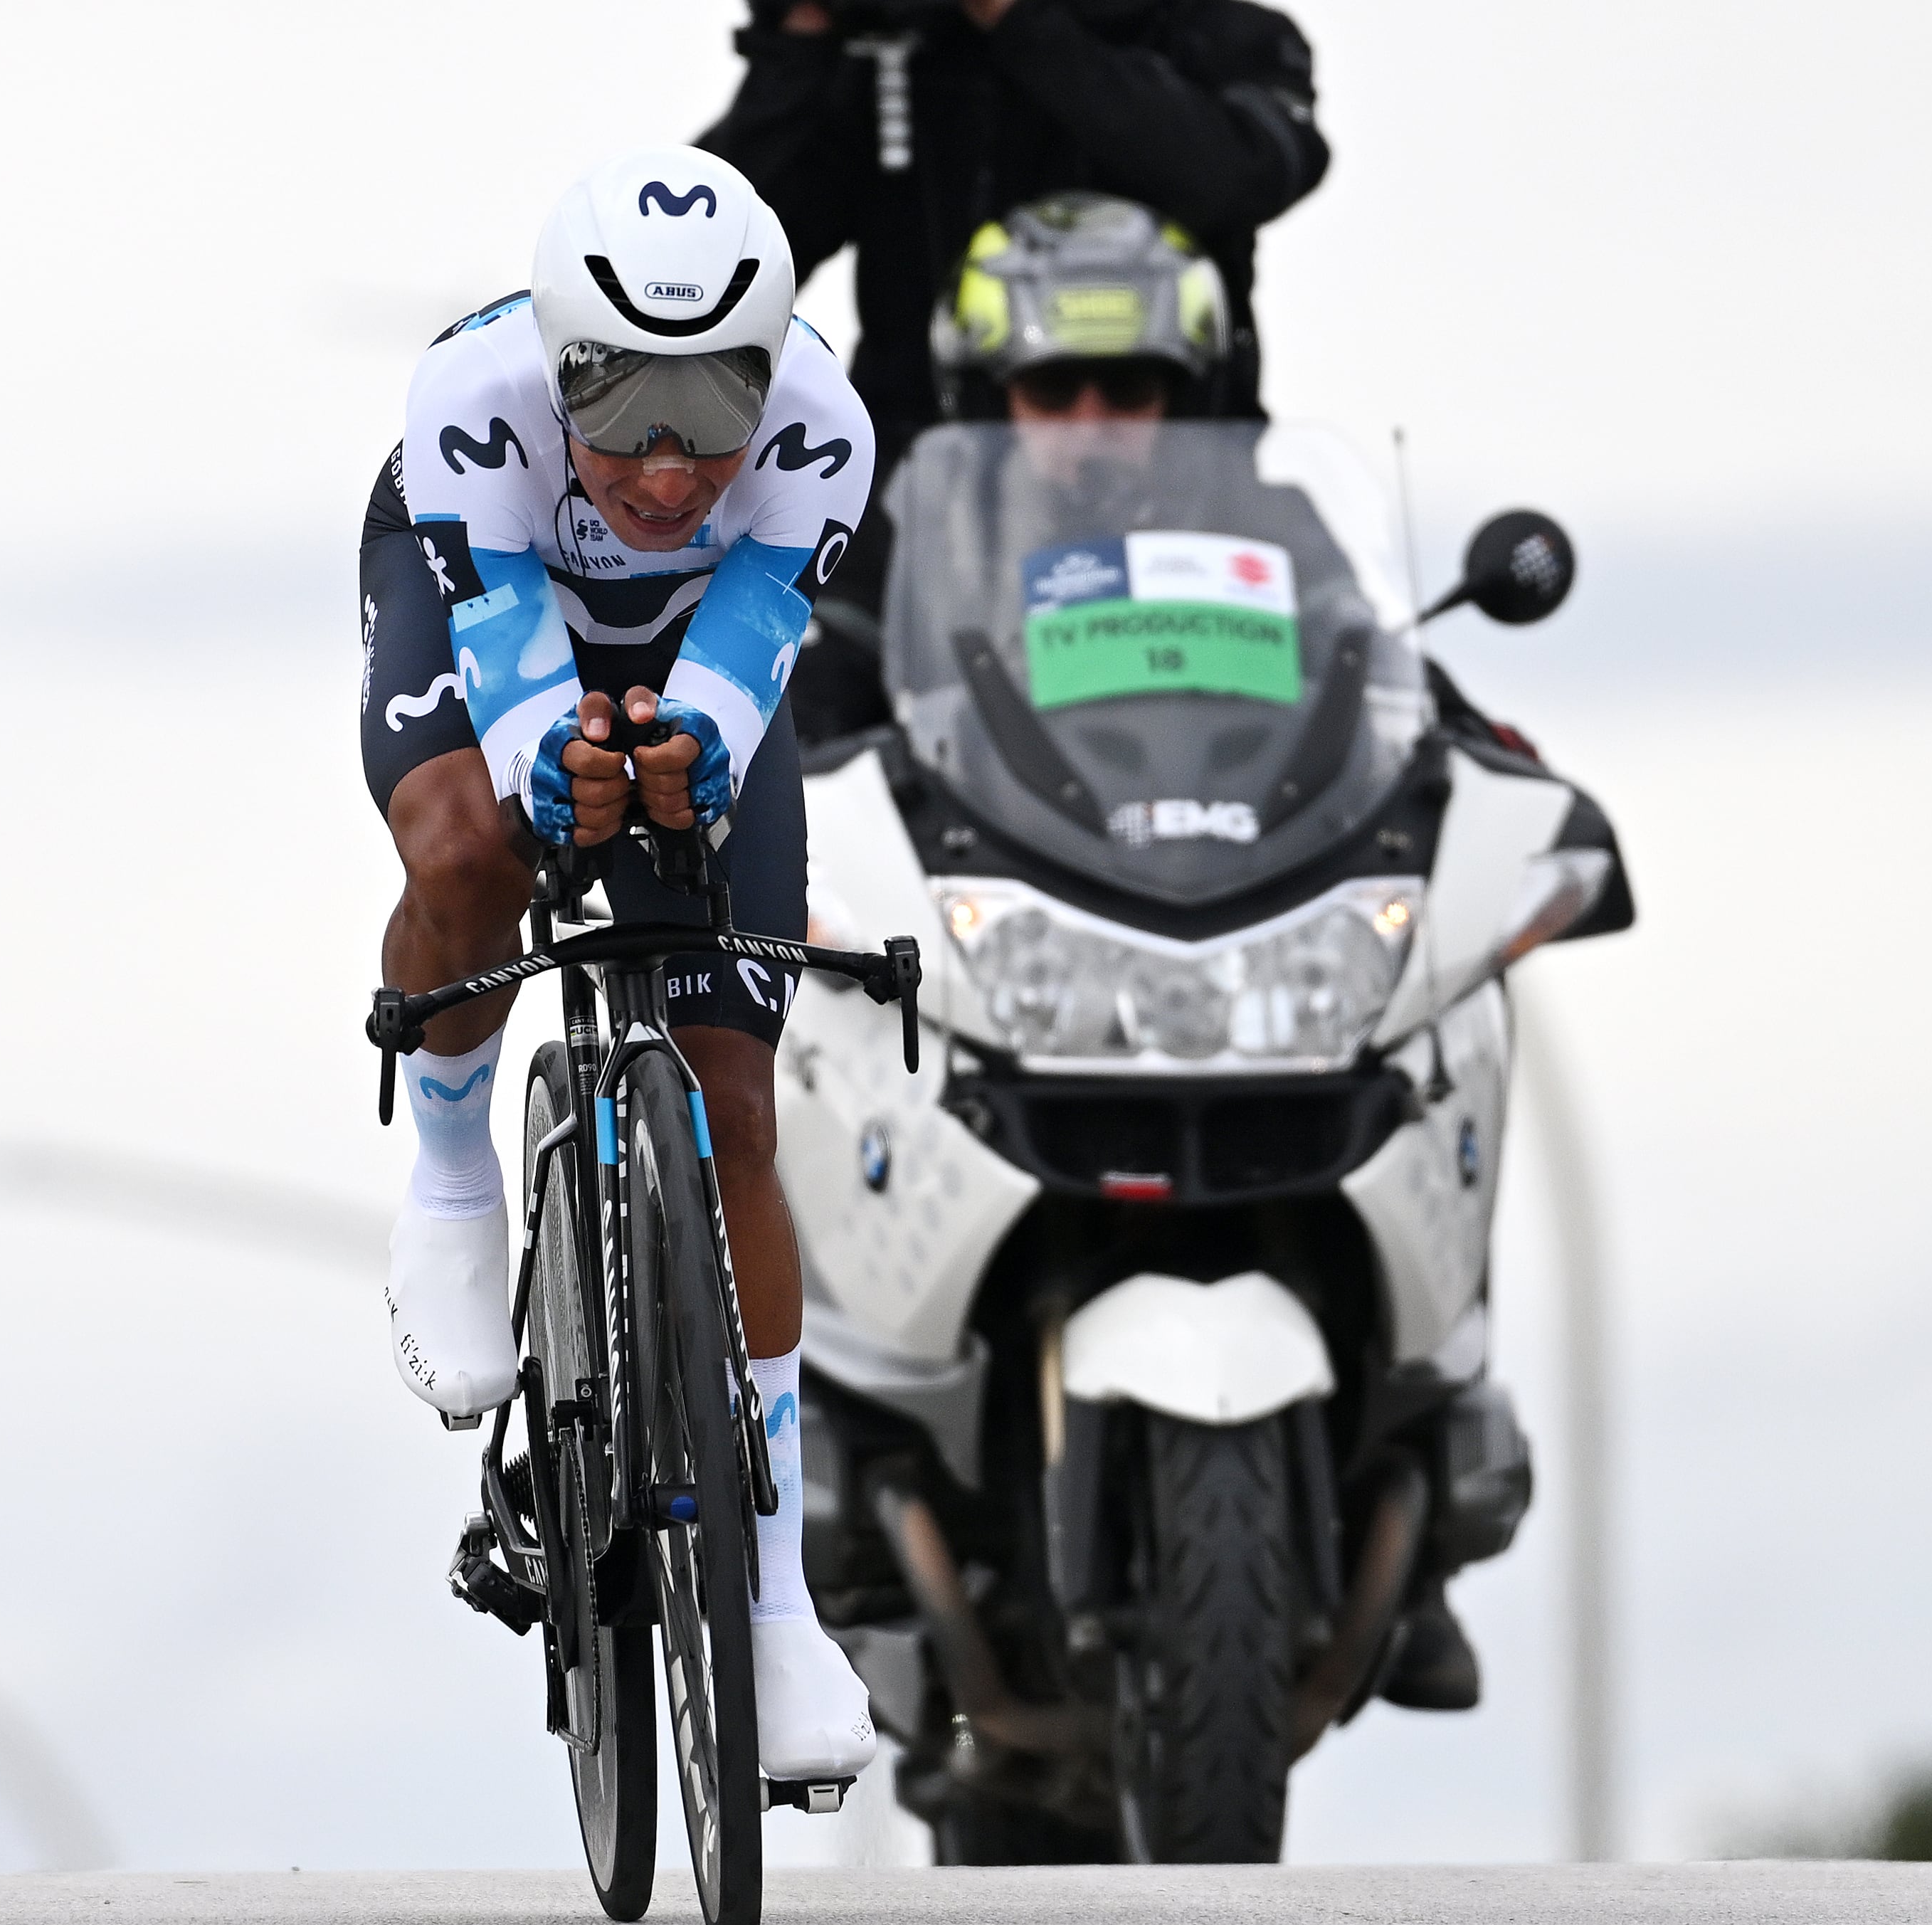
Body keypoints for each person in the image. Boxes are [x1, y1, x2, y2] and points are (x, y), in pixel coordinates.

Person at [903, 190, 1500, 1716]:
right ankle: (804, 1457)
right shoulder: (910, 527)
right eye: (1057, 390)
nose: (1097, 423)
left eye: (1134, 390)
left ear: (1194, 395)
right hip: (1016, 936)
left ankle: (1427, 1455)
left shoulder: (1275, 527)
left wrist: (1485, 755)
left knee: (1459, 1005)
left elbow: (1382, 674)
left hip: (1256, 936)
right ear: (988, 397)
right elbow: (817, 681)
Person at [357, 148, 876, 1781]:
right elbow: (507, 662)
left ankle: (779, 1613)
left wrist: (691, 763)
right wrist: (549, 771)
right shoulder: (470, 400)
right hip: (496, 606)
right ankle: (451, 1179)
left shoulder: (829, 435)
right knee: (472, 853)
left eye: (711, 417)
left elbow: (743, 663)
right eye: (625, 413)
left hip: (694, 642)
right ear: (559, 366)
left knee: (731, 1102)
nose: (665, 468)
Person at [699, 0, 1329, 452]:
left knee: (1342, 626)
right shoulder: (889, 50)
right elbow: (711, 267)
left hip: (1182, 485)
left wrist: (1017, 21)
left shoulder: (1214, 35)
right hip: (926, 495)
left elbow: (1235, 177)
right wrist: (801, 39)